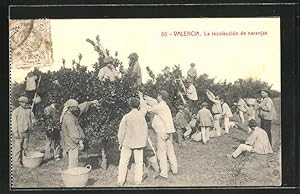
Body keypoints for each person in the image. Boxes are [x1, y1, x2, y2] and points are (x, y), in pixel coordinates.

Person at [141, 90, 178, 180]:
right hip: (169, 132)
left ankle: (163, 174)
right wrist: (144, 96)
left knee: (161, 152)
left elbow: (148, 108)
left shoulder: (160, 107)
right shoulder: (164, 105)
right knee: (170, 151)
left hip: (162, 132)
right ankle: (175, 169)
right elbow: (153, 101)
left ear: (160, 96)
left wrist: (141, 99)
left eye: (158, 95)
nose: (157, 96)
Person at [117, 97, 148, 186]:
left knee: (123, 162)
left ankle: (120, 181)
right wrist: (143, 142)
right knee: (139, 162)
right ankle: (138, 181)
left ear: (130, 106)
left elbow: (121, 131)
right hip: (138, 143)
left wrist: (120, 142)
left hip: (127, 142)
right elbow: (145, 129)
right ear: (138, 106)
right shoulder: (142, 116)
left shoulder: (126, 117)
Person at [60, 99, 85, 168]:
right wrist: (79, 141)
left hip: (70, 141)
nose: (77, 109)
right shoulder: (69, 118)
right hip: (72, 143)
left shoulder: (68, 115)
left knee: (73, 161)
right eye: (75, 107)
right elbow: (73, 132)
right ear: (70, 108)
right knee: (73, 161)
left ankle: (72, 175)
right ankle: (72, 176)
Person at [11, 96, 35, 167]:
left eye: (26, 103)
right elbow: (14, 123)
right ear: (20, 103)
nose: (25, 104)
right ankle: (16, 162)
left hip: (26, 132)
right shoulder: (16, 111)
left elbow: (33, 119)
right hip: (19, 133)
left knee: (25, 147)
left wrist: (33, 123)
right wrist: (15, 132)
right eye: (23, 103)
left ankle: (24, 160)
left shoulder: (29, 111)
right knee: (18, 147)